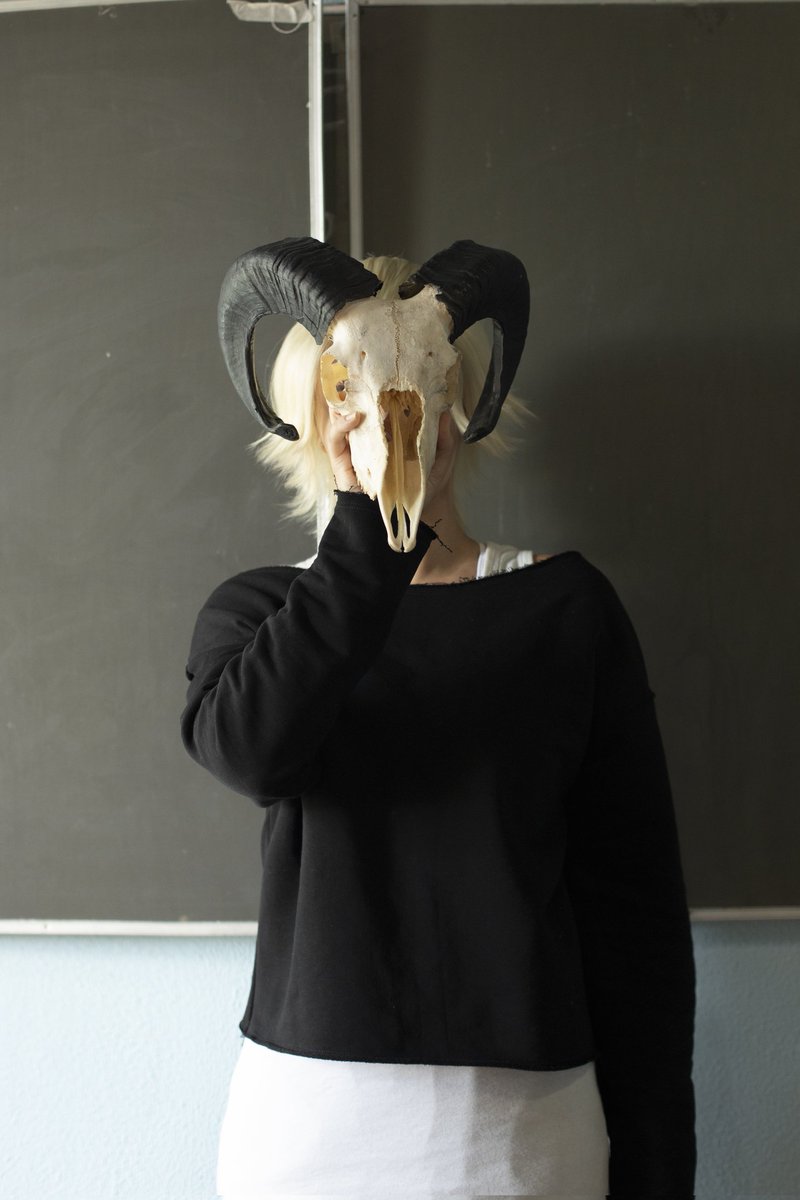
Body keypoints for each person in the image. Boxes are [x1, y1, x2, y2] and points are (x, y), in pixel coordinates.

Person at [181, 248, 697, 1199]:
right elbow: (255, 752)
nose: (390, 412)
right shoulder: (258, 614)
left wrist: (658, 1168)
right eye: (349, 385)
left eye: (421, 379)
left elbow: (637, 919)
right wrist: (368, 528)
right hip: (306, 1130)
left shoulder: (565, 610)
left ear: (458, 400)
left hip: (521, 1137)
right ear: (310, 409)